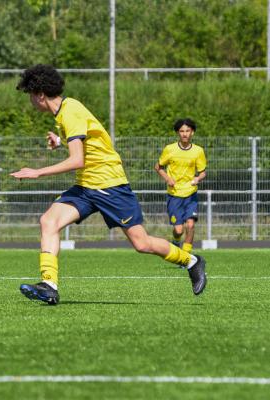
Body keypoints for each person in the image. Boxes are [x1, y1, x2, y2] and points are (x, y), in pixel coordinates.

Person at [11, 64, 207, 305]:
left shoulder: (69, 112)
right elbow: (90, 145)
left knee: (141, 243)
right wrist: (60, 140)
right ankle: (49, 285)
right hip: (86, 187)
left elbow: (77, 159)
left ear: (40, 94)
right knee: (48, 221)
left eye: (31, 95)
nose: (30, 100)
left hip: (109, 185)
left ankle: (191, 261)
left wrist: (37, 172)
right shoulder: (64, 112)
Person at [154, 118, 207, 253]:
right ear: (178, 133)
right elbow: (158, 167)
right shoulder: (170, 149)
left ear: (192, 132)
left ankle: (185, 257)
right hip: (174, 195)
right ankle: (176, 242)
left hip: (191, 194)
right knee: (178, 230)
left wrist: (197, 178)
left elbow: (203, 173)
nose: (185, 134)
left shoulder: (198, 151)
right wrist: (167, 178)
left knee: (190, 225)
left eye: (187, 131)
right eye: (182, 131)